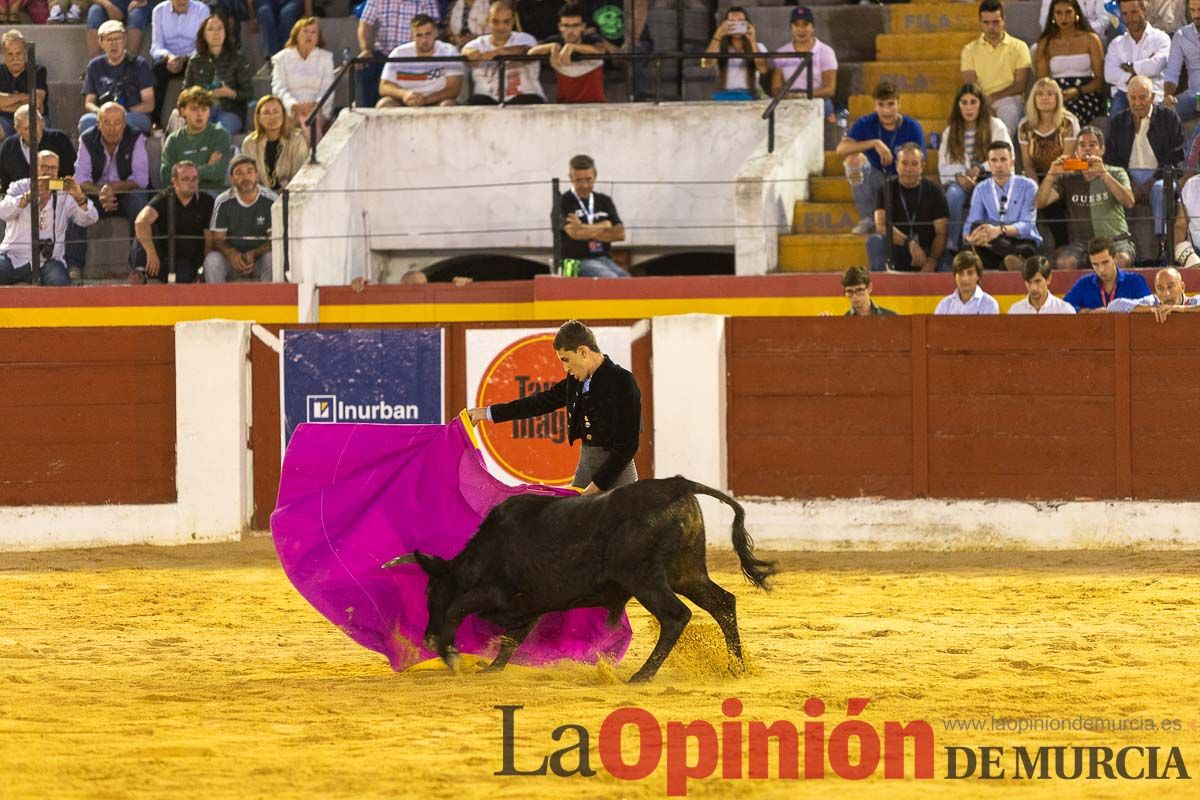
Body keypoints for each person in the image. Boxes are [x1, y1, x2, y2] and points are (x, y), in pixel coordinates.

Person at [467, 319, 641, 494]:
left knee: (624, 520)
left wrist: (596, 486)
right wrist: (486, 413)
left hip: (618, 472)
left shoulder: (622, 381)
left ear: (583, 352)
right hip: (587, 466)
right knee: (572, 520)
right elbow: (538, 403)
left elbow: (627, 446)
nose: (565, 368)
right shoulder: (575, 382)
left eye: (566, 360)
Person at [1035, 126, 1137, 268]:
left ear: (1102, 150)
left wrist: (1104, 175)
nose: (1087, 149)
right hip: (1082, 243)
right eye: (1082, 145)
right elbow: (1040, 203)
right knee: (1064, 262)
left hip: (1115, 240)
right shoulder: (1069, 178)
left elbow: (1129, 202)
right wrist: (1051, 175)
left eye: (1092, 145)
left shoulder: (1116, 172)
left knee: (1121, 260)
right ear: (1076, 152)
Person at [835, 81, 925, 235]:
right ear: (875, 106)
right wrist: (874, 143)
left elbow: (922, 161)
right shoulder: (866, 122)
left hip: (902, 180)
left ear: (899, 104)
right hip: (875, 178)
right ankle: (867, 218)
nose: (886, 110)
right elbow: (840, 149)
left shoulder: (912, 127)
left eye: (891, 104)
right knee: (852, 160)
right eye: (881, 105)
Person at [1105, 74, 1184, 246]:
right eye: (1133, 98)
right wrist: (1128, 182)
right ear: (1127, 97)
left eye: (1143, 97)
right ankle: (1117, 244)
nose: (1138, 103)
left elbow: (1176, 157)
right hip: (1128, 176)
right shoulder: (1118, 121)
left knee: (1159, 189)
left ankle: (1163, 243)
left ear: (1153, 97)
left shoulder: (1168, 118)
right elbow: (1112, 159)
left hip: (1162, 175)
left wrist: (1153, 180)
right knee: (1111, 186)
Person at [0, 151, 98, 286]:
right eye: (44, 167)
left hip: (47, 262)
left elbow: (90, 219)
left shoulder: (64, 191)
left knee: (60, 284)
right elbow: (3, 212)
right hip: (14, 257)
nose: (49, 172)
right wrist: (28, 196)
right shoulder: (20, 186)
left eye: (53, 168)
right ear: (34, 169)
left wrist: (80, 197)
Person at [939, 84, 1012, 259]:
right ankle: (951, 245)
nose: (969, 107)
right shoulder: (950, 131)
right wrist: (959, 176)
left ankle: (973, 245)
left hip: (989, 179)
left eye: (973, 102)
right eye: (964, 102)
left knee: (984, 193)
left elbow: (1007, 155)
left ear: (981, 104)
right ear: (958, 105)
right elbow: (944, 164)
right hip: (962, 182)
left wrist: (980, 168)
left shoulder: (996, 126)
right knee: (954, 195)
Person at [73, 102, 149, 268]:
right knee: (75, 203)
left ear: (124, 124)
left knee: (141, 203)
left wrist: (112, 189)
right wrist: (102, 192)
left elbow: (140, 178)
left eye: (117, 123)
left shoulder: (136, 137)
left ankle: (139, 266)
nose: (112, 128)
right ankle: (74, 267)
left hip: (125, 194)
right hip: (96, 195)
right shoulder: (86, 139)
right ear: (98, 124)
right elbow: (80, 179)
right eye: (106, 122)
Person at [867, 143, 949, 273]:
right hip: (899, 248)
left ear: (922, 167)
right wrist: (909, 242)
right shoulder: (885, 189)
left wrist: (932, 260)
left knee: (948, 263)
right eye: (904, 163)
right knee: (875, 241)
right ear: (896, 166)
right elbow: (881, 226)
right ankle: (881, 290)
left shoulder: (935, 191)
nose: (909, 169)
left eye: (914, 164)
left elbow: (941, 232)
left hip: (928, 250)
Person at [1017, 78, 1079, 248]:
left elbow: (1068, 160)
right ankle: (1024, 248)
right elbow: (1027, 165)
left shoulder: (1069, 122)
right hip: (1035, 175)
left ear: (1058, 98)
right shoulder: (1024, 125)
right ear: (1033, 99)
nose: (1045, 98)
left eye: (1050, 94)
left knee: (1050, 203)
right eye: (1040, 94)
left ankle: (1062, 246)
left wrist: (1047, 185)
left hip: (1065, 172)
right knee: (1028, 197)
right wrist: (1037, 187)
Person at [964, 141, 1042, 271]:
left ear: (1012, 162)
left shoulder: (1029, 186)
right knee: (976, 227)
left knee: (1021, 249)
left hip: (1020, 242)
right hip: (992, 244)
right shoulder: (981, 188)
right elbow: (972, 222)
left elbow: (1027, 226)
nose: (999, 165)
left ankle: (1010, 261)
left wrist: (999, 230)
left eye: (1003, 160)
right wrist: (970, 237)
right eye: (994, 160)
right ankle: (1017, 263)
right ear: (988, 164)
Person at [133, 160, 213, 283]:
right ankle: (140, 273)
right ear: (174, 182)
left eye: (195, 179)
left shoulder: (206, 201)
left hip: (187, 260)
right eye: (186, 179)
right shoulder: (165, 197)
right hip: (160, 256)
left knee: (182, 277)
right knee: (145, 229)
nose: (191, 183)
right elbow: (140, 221)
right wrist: (151, 252)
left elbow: (209, 240)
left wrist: (204, 269)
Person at [960, 0, 1032, 138]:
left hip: (1009, 98)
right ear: (980, 23)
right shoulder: (969, 50)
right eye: (986, 23)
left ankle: (1000, 152)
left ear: (1004, 20)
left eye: (995, 22)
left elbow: (1020, 85)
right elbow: (970, 83)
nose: (991, 27)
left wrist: (993, 98)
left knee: (1007, 116)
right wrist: (983, 103)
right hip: (979, 98)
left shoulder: (1019, 47)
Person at [357, 0, 441, 109]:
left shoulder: (428, 1)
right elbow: (365, 24)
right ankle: (365, 114)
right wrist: (366, 49)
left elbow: (432, 29)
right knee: (364, 66)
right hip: (384, 55)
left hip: (414, 57)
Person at [205, 154, 276, 283]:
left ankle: (267, 302)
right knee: (212, 260)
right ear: (231, 179)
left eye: (250, 172)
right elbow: (218, 239)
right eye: (239, 173)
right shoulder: (223, 201)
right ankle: (216, 302)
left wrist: (254, 253)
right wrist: (232, 254)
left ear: (257, 176)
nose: (245, 177)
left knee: (272, 259)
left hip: (259, 261)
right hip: (231, 261)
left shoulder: (271, 199)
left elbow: (275, 240)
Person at [1034, 0, 1106, 125]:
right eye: (1059, 13)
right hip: (1056, 93)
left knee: (1068, 118)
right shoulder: (1045, 43)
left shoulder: (1091, 39)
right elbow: (1042, 82)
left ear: (1076, 13)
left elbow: (1100, 80)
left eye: (1068, 12)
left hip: (1086, 93)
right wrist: (1055, 94)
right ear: (1053, 16)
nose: (1064, 17)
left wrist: (1077, 90)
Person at [80, 20, 156, 136]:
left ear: (124, 40)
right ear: (100, 42)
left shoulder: (139, 64)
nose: (113, 44)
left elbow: (149, 104)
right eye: (109, 40)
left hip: (131, 114)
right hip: (104, 115)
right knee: (86, 121)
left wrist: (119, 114)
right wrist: (103, 113)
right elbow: (89, 103)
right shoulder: (94, 66)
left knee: (129, 122)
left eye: (117, 39)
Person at [183, 12, 255, 135]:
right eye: (210, 29)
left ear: (226, 32)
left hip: (230, 111)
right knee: (197, 130)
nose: (216, 33)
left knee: (220, 131)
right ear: (203, 35)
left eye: (220, 28)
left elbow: (249, 93)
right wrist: (201, 94)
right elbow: (186, 91)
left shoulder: (238, 59)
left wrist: (230, 93)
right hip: (202, 110)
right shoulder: (195, 60)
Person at [559, 153, 627, 278]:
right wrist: (605, 225)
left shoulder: (604, 200)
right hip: (578, 261)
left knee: (627, 280)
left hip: (605, 259)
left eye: (588, 179)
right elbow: (575, 234)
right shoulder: (564, 201)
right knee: (611, 279)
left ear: (595, 176)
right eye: (578, 180)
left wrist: (584, 228)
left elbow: (620, 234)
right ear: (570, 178)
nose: (584, 185)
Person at [376, 13, 464, 108]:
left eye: (428, 34)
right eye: (419, 35)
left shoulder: (449, 52)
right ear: (412, 36)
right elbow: (384, 86)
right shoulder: (399, 53)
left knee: (448, 105)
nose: (424, 40)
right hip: (406, 100)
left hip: (437, 101)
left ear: (435, 32)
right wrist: (404, 94)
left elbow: (453, 89)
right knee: (384, 104)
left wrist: (426, 100)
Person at [464, 1, 544, 104]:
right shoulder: (477, 44)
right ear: (488, 21)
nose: (501, 27)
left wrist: (498, 52)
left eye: (506, 22)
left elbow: (527, 51)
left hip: (524, 98)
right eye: (495, 21)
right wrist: (469, 54)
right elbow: (467, 54)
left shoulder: (526, 38)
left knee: (531, 100)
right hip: (487, 100)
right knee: (474, 102)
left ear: (513, 22)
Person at [272, 16, 334, 144]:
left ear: (318, 37)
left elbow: (327, 88)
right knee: (303, 116)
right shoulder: (282, 58)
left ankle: (311, 154)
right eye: (305, 31)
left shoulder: (326, 58)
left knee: (307, 117)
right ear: (296, 34)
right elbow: (278, 87)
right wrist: (293, 105)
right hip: (289, 109)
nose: (309, 35)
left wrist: (314, 105)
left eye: (313, 32)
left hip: (317, 109)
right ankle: (314, 154)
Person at [527, 4, 607, 104]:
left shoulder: (591, 39)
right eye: (566, 26)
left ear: (583, 26)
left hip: (596, 105)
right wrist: (552, 47)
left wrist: (572, 47)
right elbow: (530, 53)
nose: (571, 30)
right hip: (564, 105)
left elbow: (601, 51)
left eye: (575, 25)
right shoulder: (555, 40)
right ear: (560, 26)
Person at [159, 86, 232, 195]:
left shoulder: (220, 134)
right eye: (194, 109)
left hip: (211, 192)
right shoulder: (173, 140)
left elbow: (218, 172)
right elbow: (166, 177)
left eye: (204, 109)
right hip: (181, 194)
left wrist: (183, 175)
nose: (199, 114)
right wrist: (207, 167)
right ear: (183, 111)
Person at [149, 0, 211, 129]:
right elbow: (156, 46)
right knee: (156, 71)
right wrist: (169, 57)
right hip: (168, 58)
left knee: (198, 67)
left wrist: (185, 58)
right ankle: (155, 121)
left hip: (192, 56)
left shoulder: (202, 10)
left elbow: (203, 44)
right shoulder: (159, 11)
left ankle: (192, 118)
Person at [770, 5, 837, 121]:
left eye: (805, 24)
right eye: (797, 25)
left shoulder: (825, 51)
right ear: (791, 28)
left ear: (812, 27)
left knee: (825, 108)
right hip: (790, 101)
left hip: (818, 99)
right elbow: (776, 88)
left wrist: (805, 95)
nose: (801, 29)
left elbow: (830, 89)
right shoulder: (781, 52)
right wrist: (791, 96)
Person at [1104, 0, 1170, 117]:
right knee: (1115, 120)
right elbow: (1109, 74)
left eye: (1133, 12)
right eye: (1125, 14)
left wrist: (1130, 67)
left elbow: (1156, 66)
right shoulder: (1116, 43)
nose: (1129, 18)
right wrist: (1132, 77)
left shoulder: (1161, 38)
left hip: (1153, 94)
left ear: (1144, 10)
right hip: (1124, 93)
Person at [0, 104, 75, 195]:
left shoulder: (59, 140)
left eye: (35, 126)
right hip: (20, 204)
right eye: (27, 128)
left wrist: (46, 185)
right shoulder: (9, 147)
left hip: (57, 200)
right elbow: (6, 187)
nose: (33, 133)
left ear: (42, 123)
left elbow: (70, 183)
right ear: (17, 129)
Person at [240, 95, 309, 191]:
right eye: (266, 113)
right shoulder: (249, 143)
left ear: (283, 115)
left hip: (288, 196)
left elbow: (298, 176)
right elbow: (249, 178)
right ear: (259, 117)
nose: (272, 117)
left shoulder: (296, 140)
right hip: (260, 197)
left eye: (276, 112)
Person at [1063, 235, 1152, 310]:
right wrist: (1089, 313)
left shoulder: (1135, 281)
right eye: (1095, 264)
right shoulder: (1084, 283)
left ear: (1115, 258)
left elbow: (1149, 307)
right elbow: (1064, 307)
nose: (1101, 269)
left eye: (1105, 262)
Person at [700, 6, 767, 102]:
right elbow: (705, 64)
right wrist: (718, 35)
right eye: (732, 22)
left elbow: (763, 69)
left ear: (748, 24)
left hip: (750, 95)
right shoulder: (718, 47)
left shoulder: (759, 46)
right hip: (725, 95)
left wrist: (752, 39)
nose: (736, 25)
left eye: (741, 21)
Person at [0, 30, 48, 140]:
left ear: (25, 52)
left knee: (35, 128)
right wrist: (21, 98)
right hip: (4, 120)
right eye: (10, 54)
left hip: (32, 119)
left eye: (18, 53)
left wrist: (4, 105)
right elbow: (30, 103)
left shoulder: (38, 71)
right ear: (3, 55)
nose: (15, 59)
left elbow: (36, 103)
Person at [1106, 266, 1200, 318]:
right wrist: (1151, 309)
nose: (1166, 293)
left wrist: (1181, 309)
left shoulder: (1193, 301)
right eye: (1160, 288)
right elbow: (1113, 305)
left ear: (1182, 287)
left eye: (1170, 287)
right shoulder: (1152, 302)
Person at [1162, 0, 1200, 120]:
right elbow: (1172, 73)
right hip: (1193, 96)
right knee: (1164, 113)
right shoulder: (1181, 35)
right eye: (1192, 10)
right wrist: (1168, 95)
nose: (1196, 15)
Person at [934, 250, 1000, 314]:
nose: (965, 278)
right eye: (960, 273)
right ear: (955, 276)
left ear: (978, 276)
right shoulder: (944, 306)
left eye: (970, 273)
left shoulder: (990, 304)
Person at [1008, 255, 1077, 313]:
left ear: (1048, 279)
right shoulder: (1015, 311)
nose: (1033, 288)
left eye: (1037, 281)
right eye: (1029, 282)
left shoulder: (1065, 311)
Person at [86, 0, 152, 59]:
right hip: (109, 3)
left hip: (138, 4)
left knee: (136, 15)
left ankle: (129, 63)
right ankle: (94, 65)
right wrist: (108, 5)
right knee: (95, 12)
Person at [1038, 0, 1115, 38]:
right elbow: (1045, 21)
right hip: (1058, 37)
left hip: (1089, 36)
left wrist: (1076, 30)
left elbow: (1104, 22)